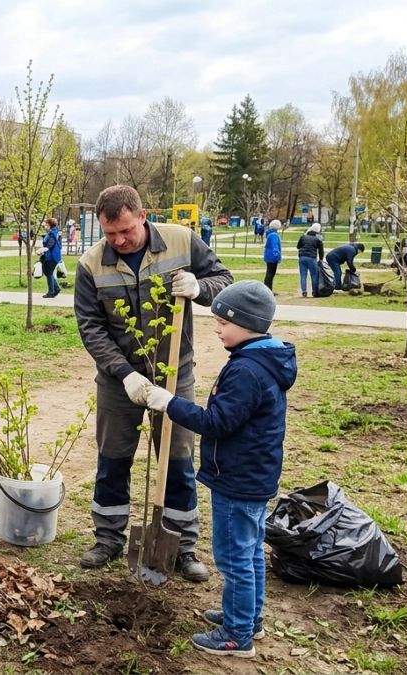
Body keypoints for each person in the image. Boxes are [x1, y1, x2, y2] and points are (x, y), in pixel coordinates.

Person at [73, 185, 232, 582]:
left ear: (143, 216)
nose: (120, 241)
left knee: (177, 459)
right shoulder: (91, 264)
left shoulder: (181, 240)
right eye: (110, 234)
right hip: (118, 382)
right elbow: (91, 329)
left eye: (126, 230)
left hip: (174, 375)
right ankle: (108, 537)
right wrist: (124, 374)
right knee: (112, 459)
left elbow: (223, 278)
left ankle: (183, 546)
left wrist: (200, 288)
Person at [144, 281, 296, 657]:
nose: (217, 329)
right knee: (250, 553)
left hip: (237, 479)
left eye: (222, 322)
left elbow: (216, 422)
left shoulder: (247, 371)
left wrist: (170, 403)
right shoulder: (264, 360)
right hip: (254, 474)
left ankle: (237, 635)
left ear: (246, 324)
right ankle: (249, 619)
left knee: (234, 558)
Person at [296, 223, 324, 297]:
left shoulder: (303, 237)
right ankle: (314, 291)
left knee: (303, 275)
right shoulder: (318, 239)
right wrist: (321, 259)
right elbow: (321, 251)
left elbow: (298, 246)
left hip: (302, 257)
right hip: (312, 258)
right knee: (314, 275)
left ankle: (304, 291)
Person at [39, 217, 63, 298]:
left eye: (46, 224)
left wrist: (44, 249)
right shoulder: (54, 232)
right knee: (48, 273)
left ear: (50, 225)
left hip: (51, 257)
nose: (45, 226)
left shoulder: (52, 233)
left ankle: (51, 291)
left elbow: (50, 244)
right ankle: (56, 288)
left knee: (49, 273)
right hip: (53, 256)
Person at [263, 220, 282, 291]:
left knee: (269, 273)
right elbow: (275, 247)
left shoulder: (270, 234)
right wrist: (277, 257)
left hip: (268, 256)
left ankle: (268, 289)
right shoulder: (274, 235)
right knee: (270, 274)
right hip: (272, 257)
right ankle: (268, 290)